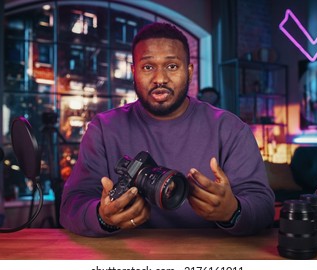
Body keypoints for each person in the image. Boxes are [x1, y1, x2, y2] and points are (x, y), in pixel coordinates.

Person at [60, 22, 275, 237]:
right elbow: (71, 205)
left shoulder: (230, 129)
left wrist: (232, 211)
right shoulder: (103, 129)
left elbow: (263, 206)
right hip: (127, 260)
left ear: (189, 72)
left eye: (172, 66)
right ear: (134, 72)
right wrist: (102, 216)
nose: (160, 79)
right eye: (148, 67)